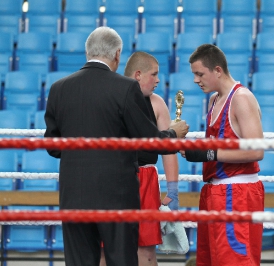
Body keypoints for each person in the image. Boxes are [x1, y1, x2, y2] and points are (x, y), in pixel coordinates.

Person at [44, 26, 189, 266]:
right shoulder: (125, 87)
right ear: (117, 54)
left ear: (87, 51)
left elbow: (53, 146)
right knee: (121, 260)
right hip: (117, 197)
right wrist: (174, 133)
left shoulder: (59, 88)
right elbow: (149, 141)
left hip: (74, 195)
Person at [180, 44, 265, 266]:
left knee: (234, 261)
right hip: (214, 190)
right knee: (211, 260)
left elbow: (256, 150)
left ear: (217, 70)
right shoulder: (214, 99)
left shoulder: (241, 98)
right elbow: (218, 145)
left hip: (235, 191)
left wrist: (207, 153)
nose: (196, 80)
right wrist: (191, 149)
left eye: (200, 74)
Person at [99, 51, 182, 266]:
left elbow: (169, 149)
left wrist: (172, 189)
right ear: (138, 75)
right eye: (153, 74)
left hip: (145, 178)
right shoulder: (110, 96)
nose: (158, 80)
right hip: (112, 176)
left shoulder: (156, 103)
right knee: (104, 248)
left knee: (145, 250)